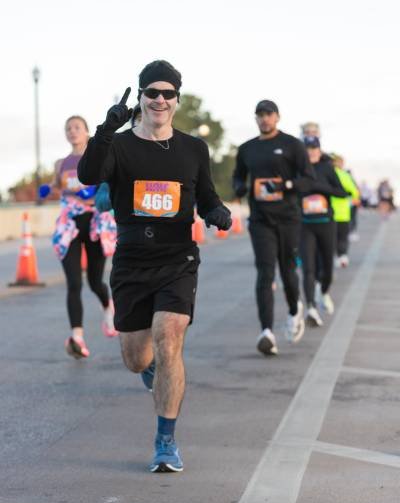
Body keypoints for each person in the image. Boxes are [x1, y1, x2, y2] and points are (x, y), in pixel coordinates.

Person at [78, 60, 231, 473]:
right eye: (152, 93)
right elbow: (88, 176)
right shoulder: (119, 145)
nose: (159, 100)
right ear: (141, 97)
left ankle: (166, 441)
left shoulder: (194, 149)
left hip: (177, 258)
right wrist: (104, 131)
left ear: (177, 99)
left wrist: (216, 211)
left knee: (169, 336)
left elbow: (206, 196)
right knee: (135, 358)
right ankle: (149, 370)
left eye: (168, 93)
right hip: (131, 260)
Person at [233, 100, 315, 356]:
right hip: (260, 220)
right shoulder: (247, 148)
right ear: (255, 118)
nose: (264, 119)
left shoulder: (292, 145)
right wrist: (239, 187)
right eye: (260, 115)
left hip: (288, 218)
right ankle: (266, 332)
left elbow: (309, 179)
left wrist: (286, 186)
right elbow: (238, 176)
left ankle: (293, 311)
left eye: (269, 114)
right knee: (265, 272)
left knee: (288, 271)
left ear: (277, 117)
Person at [48, 116, 117, 358]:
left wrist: (94, 191)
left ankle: (108, 307)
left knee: (95, 282)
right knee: (74, 283)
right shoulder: (61, 163)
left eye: (77, 127)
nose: (72, 131)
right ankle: (77, 337)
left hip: (94, 221)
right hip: (70, 224)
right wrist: (48, 189)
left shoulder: (98, 157)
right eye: (68, 128)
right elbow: (57, 187)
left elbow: (109, 185)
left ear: (87, 132)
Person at [300, 136, 346, 325]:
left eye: (314, 148)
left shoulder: (327, 168)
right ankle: (310, 308)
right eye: (308, 148)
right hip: (305, 225)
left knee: (327, 268)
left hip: (326, 223)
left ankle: (324, 292)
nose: (311, 151)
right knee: (308, 268)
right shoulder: (297, 168)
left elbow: (342, 192)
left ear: (319, 150)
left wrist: (320, 187)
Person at [330, 154, 359, 267]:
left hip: (328, 213)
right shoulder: (344, 175)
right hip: (343, 212)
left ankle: (332, 257)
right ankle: (342, 256)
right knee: (342, 237)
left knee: (331, 238)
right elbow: (354, 192)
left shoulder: (326, 174)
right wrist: (353, 199)